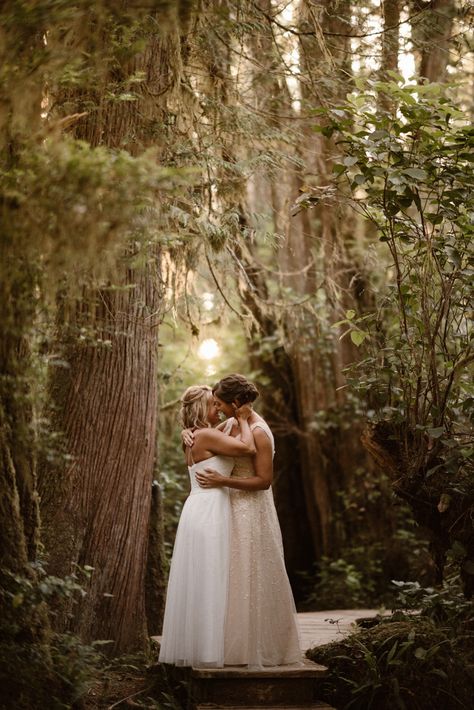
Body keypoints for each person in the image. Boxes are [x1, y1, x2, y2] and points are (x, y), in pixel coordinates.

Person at [194, 374, 302, 668]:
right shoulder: (230, 424)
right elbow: (206, 440)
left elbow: (264, 481)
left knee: (251, 574)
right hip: (230, 509)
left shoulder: (260, 432)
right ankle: (230, 645)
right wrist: (186, 435)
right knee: (232, 577)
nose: (216, 408)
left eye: (220, 403)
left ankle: (259, 647)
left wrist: (222, 480)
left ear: (237, 403)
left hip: (252, 510)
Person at [158, 385, 257, 668]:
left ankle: (200, 646)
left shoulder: (191, 437)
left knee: (201, 578)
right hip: (211, 508)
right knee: (213, 575)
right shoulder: (207, 435)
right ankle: (210, 652)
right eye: (213, 405)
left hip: (196, 508)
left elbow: (217, 432)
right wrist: (244, 419)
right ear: (201, 409)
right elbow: (248, 448)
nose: (218, 409)